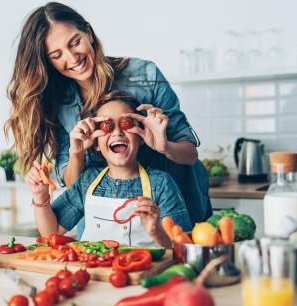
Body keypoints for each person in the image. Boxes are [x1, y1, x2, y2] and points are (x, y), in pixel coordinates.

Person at [5, 2, 211, 224]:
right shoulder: (58, 102)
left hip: (169, 210)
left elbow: (190, 154)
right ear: (48, 62)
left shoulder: (145, 75)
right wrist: (77, 153)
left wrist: (165, 147)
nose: (73, 58)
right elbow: (73, 184)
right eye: (57, 55)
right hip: (104, 216)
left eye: (75, 43)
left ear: (89, 33)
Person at [24, 93, 192, 247]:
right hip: (92, 275)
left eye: (126, 124)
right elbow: (51, 232)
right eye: (107, 126)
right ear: (96, 143)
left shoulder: (162, 183)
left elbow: (182, 247)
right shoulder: (87, 181)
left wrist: (157, 231)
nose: (117, 132)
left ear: (141, 136)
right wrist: (40, 196)